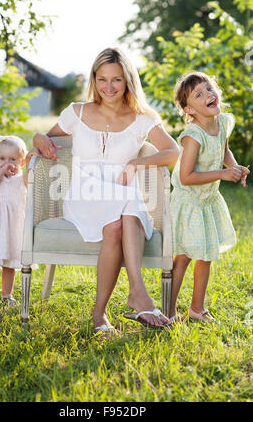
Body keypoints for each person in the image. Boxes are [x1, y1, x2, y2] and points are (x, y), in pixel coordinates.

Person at [33, 47, 179, 332]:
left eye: (116, 80)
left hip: (120, 199)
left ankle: (99, 315)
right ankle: (138, 292)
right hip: (84, 196)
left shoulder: (142, 118)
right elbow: (45, 136)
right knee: (129, 200)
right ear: (94, 79)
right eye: (102, 79)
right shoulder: (77, 112)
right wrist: (39, 138)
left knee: (115, 225)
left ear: (127, 81)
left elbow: (173, 152)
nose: (108, 87)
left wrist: (136, 162)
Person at [169, 71, 250, 322]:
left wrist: (234, 168)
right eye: (199, 94)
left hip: (207, 200)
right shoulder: (193, 136)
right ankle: (168, 310)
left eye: (210, 89)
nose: (208, 95)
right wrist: (221, 175)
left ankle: (196, 308)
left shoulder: (222, 123)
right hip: (190, 202)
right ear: (189, 109)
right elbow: (186, 177)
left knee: (206, 255)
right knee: (183, 256)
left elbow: (224, 151)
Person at [0, 135, 39, 308]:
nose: (7, 162)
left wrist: (30, 159)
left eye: (13, 159)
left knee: (9, 265)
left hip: (12, 228)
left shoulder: (21, 180)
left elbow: (28, 180)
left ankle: (7, 295)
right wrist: (1, 171)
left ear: (21, 162)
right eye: (2, 159)